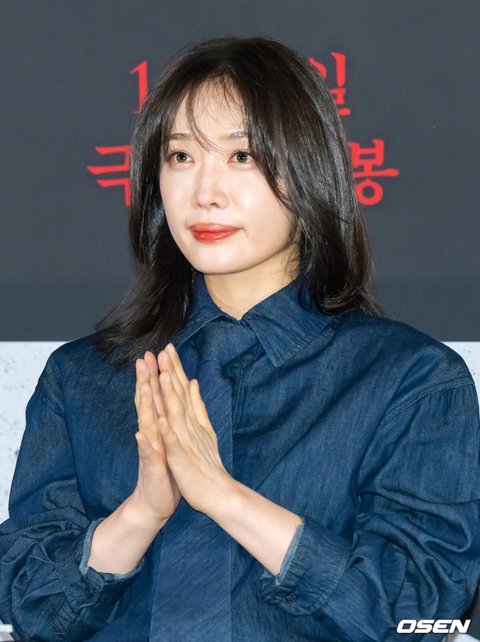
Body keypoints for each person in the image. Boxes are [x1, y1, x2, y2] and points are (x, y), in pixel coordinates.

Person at [0, 36, 479, 642]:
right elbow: (31, 610)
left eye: (242, 156)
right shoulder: (83, 378)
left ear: (309, 169)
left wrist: (225, 497)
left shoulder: (409, 381)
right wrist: (141, 513)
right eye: (181, 156)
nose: (205, 192)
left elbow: (420, 613)